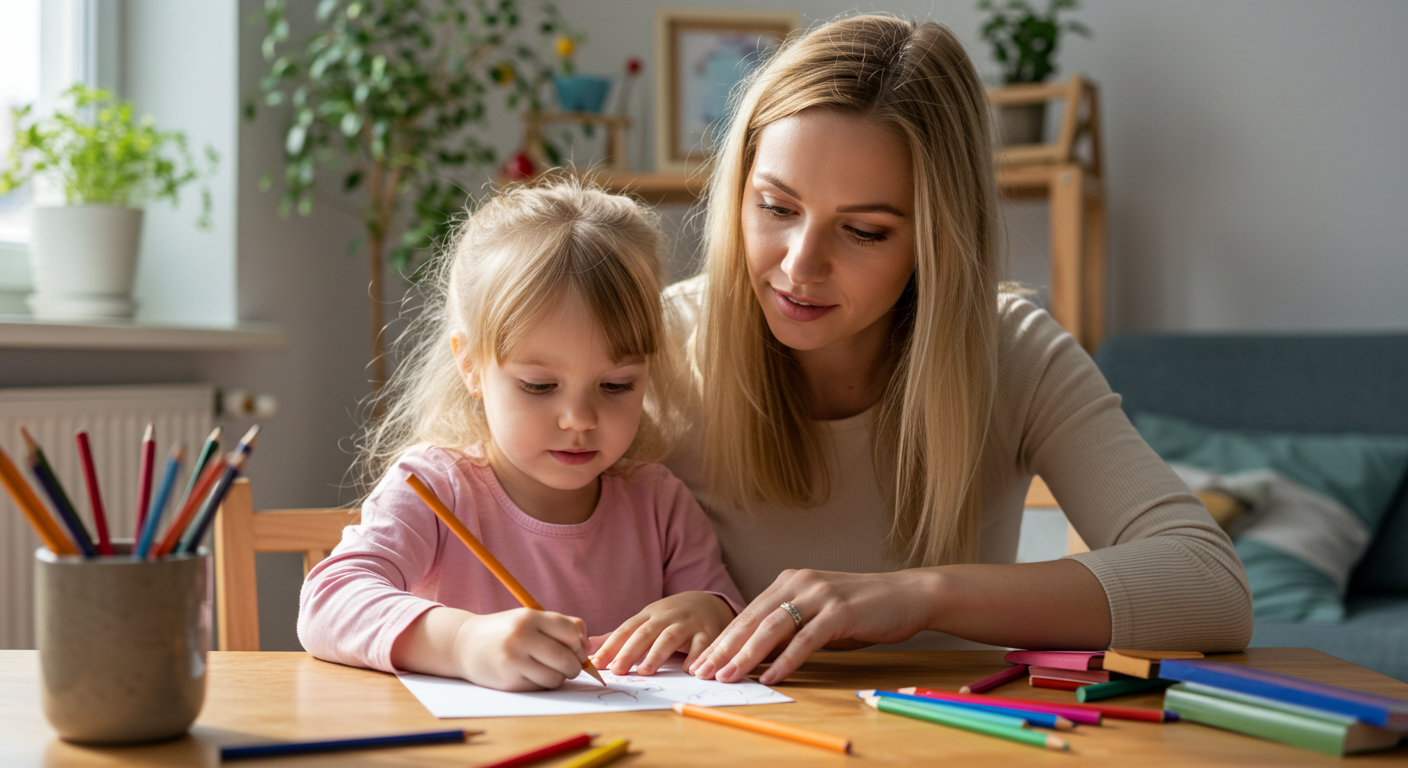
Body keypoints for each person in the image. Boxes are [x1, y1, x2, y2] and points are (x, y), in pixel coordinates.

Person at [599, 14, 1253, 685]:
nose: (800, 266)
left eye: (864, 231)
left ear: (935, 242)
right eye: (776, 207)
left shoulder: (1014, 353)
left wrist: (919, 595)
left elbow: (1210, 584)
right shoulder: (651, 349)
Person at [298, 182, 744, 691]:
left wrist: (708, 611)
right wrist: (464, 641)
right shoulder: (435, 486)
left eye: (617, 385)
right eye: (540, 385)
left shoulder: (659, 501)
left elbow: (724, 616)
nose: (579, 418)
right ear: (470, 365)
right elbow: (329, 599)